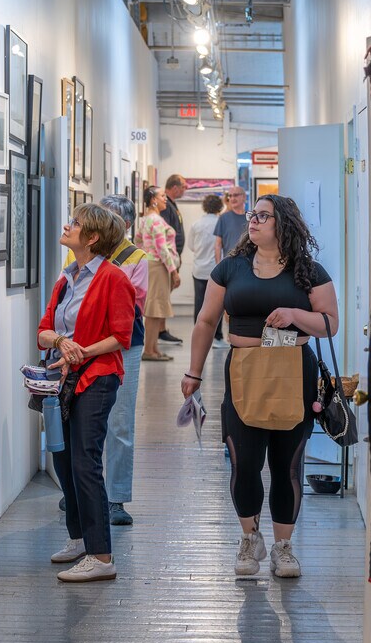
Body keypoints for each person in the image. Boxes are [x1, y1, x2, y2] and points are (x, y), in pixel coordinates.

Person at [181, 194, 338, 578]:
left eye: (263, 215)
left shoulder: (309, 271)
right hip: (243, 372)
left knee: (287, 466)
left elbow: (330, 323)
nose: (253, 220)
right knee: (245, 463)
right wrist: (194, 373)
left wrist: (296, 313)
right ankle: (250, 539)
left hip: (293, 371)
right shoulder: (230, 269)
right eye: (253, 214)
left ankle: (284, 547)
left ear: (282, 224)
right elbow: (205, 321)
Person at [38, 203, 136, 582]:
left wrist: (79, 351)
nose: (67, 226)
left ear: (92, 238)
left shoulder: (113, 279)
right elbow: (44, 328)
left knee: (85, 461)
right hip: (62, 377)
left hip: (98, 377)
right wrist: (62, 342)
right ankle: (78, 538)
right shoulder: (66, 278)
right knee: (63, 459)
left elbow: (121, 337)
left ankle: (102, 556)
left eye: (75, 224)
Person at [98, 195, 147, 525]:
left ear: (126, 224)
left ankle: (115, 497)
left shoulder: (136, 257)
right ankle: (79, 489)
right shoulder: (78, 252)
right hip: (83, 345)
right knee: (83, 423)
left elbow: (131, 301)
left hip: (124, 344)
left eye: (110, 218)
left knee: (119, 421)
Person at [135, 186, 180, 362]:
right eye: (162, 196)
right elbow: (162, 248)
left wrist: (144, 255)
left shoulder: (146, 219)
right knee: (155, 309)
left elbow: (138, 240)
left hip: (151, 264)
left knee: (155, 308)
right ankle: (149, 350)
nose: (165, 199)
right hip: (158, 266)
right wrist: (174, 272)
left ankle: (153, 348)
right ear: (153, 199)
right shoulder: (156, 220)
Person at [190, 194, 228, 349]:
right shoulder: (222, 223)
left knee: (199, 303)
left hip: (199, 268)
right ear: (219, 207)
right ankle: (217, 337)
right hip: (216, 269)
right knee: (217, 305)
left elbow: (191, 246)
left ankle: (198, 334)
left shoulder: (196, 224)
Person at [159, 174, 187, 345]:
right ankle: (160, 331)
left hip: (174, 258)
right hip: (167, 260)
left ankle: (162, 329)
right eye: (183, 186)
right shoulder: (166, 207)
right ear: (175, 187)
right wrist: (173, 264)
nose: (185, 189)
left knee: (165, 296)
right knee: (162, 297)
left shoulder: (171, 205)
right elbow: (164, 238)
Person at [214, 186, 249, 263]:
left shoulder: (251, 218)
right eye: (230, 196)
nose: (232, 198)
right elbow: (218, 245)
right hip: (229, 264)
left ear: (244, 197)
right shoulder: (223, 218)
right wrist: (218, 265)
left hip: (248, 264)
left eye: (235, 195)